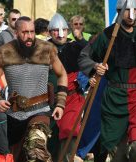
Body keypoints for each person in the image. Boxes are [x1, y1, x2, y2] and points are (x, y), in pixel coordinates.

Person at [77, 0, 136, 161]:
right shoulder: (107, 35)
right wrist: (95, 66)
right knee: (116, 153)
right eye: (127, 10)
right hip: (114, 99)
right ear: (119, 12)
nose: (131, 14)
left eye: (134, 10)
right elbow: (84, 57)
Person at [0, 16, 68, 162]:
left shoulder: (46, 49)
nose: (29, 36)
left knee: (36, 150)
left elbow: (62, 75)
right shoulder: (5, 52)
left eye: (32, 32)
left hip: (40, 111)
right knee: (18, 157)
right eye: (25, 32)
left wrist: (60, 103)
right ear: (16, 32)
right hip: (15, 114)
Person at [48, 13, 87, 162]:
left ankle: (67, 159)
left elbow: (93, 54)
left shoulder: (75, 46)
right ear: (50, 32)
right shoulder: (43, 48)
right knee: (51, 137)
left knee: (70, 130)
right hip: (50, 99)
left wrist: (80, 39)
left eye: (63, 30)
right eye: (56, 31)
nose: (60, 34)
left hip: (72, 96)